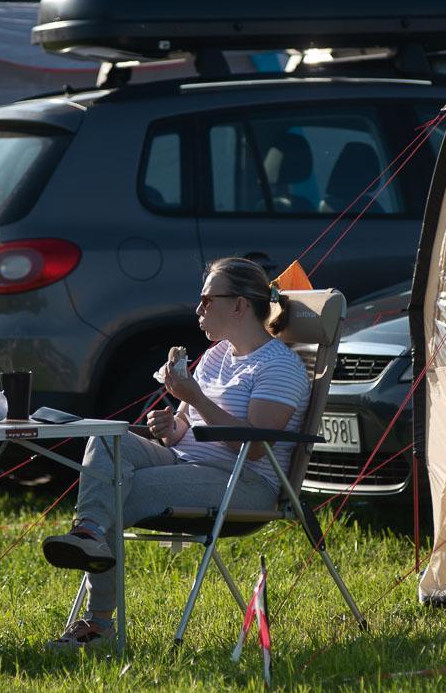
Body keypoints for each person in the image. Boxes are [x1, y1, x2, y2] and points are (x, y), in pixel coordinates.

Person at [41, 257, 310, 651]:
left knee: (114, 489)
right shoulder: (217, 356)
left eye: (207, 300)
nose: (198, 309)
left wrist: (194, 396)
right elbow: (186, 426)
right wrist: (171, 426)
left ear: (238, 305)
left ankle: (98, 625)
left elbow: (253, 448)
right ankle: (89, 534)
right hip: (188, 464)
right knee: (104, 439)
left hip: (245, 483)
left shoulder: (280, 366)